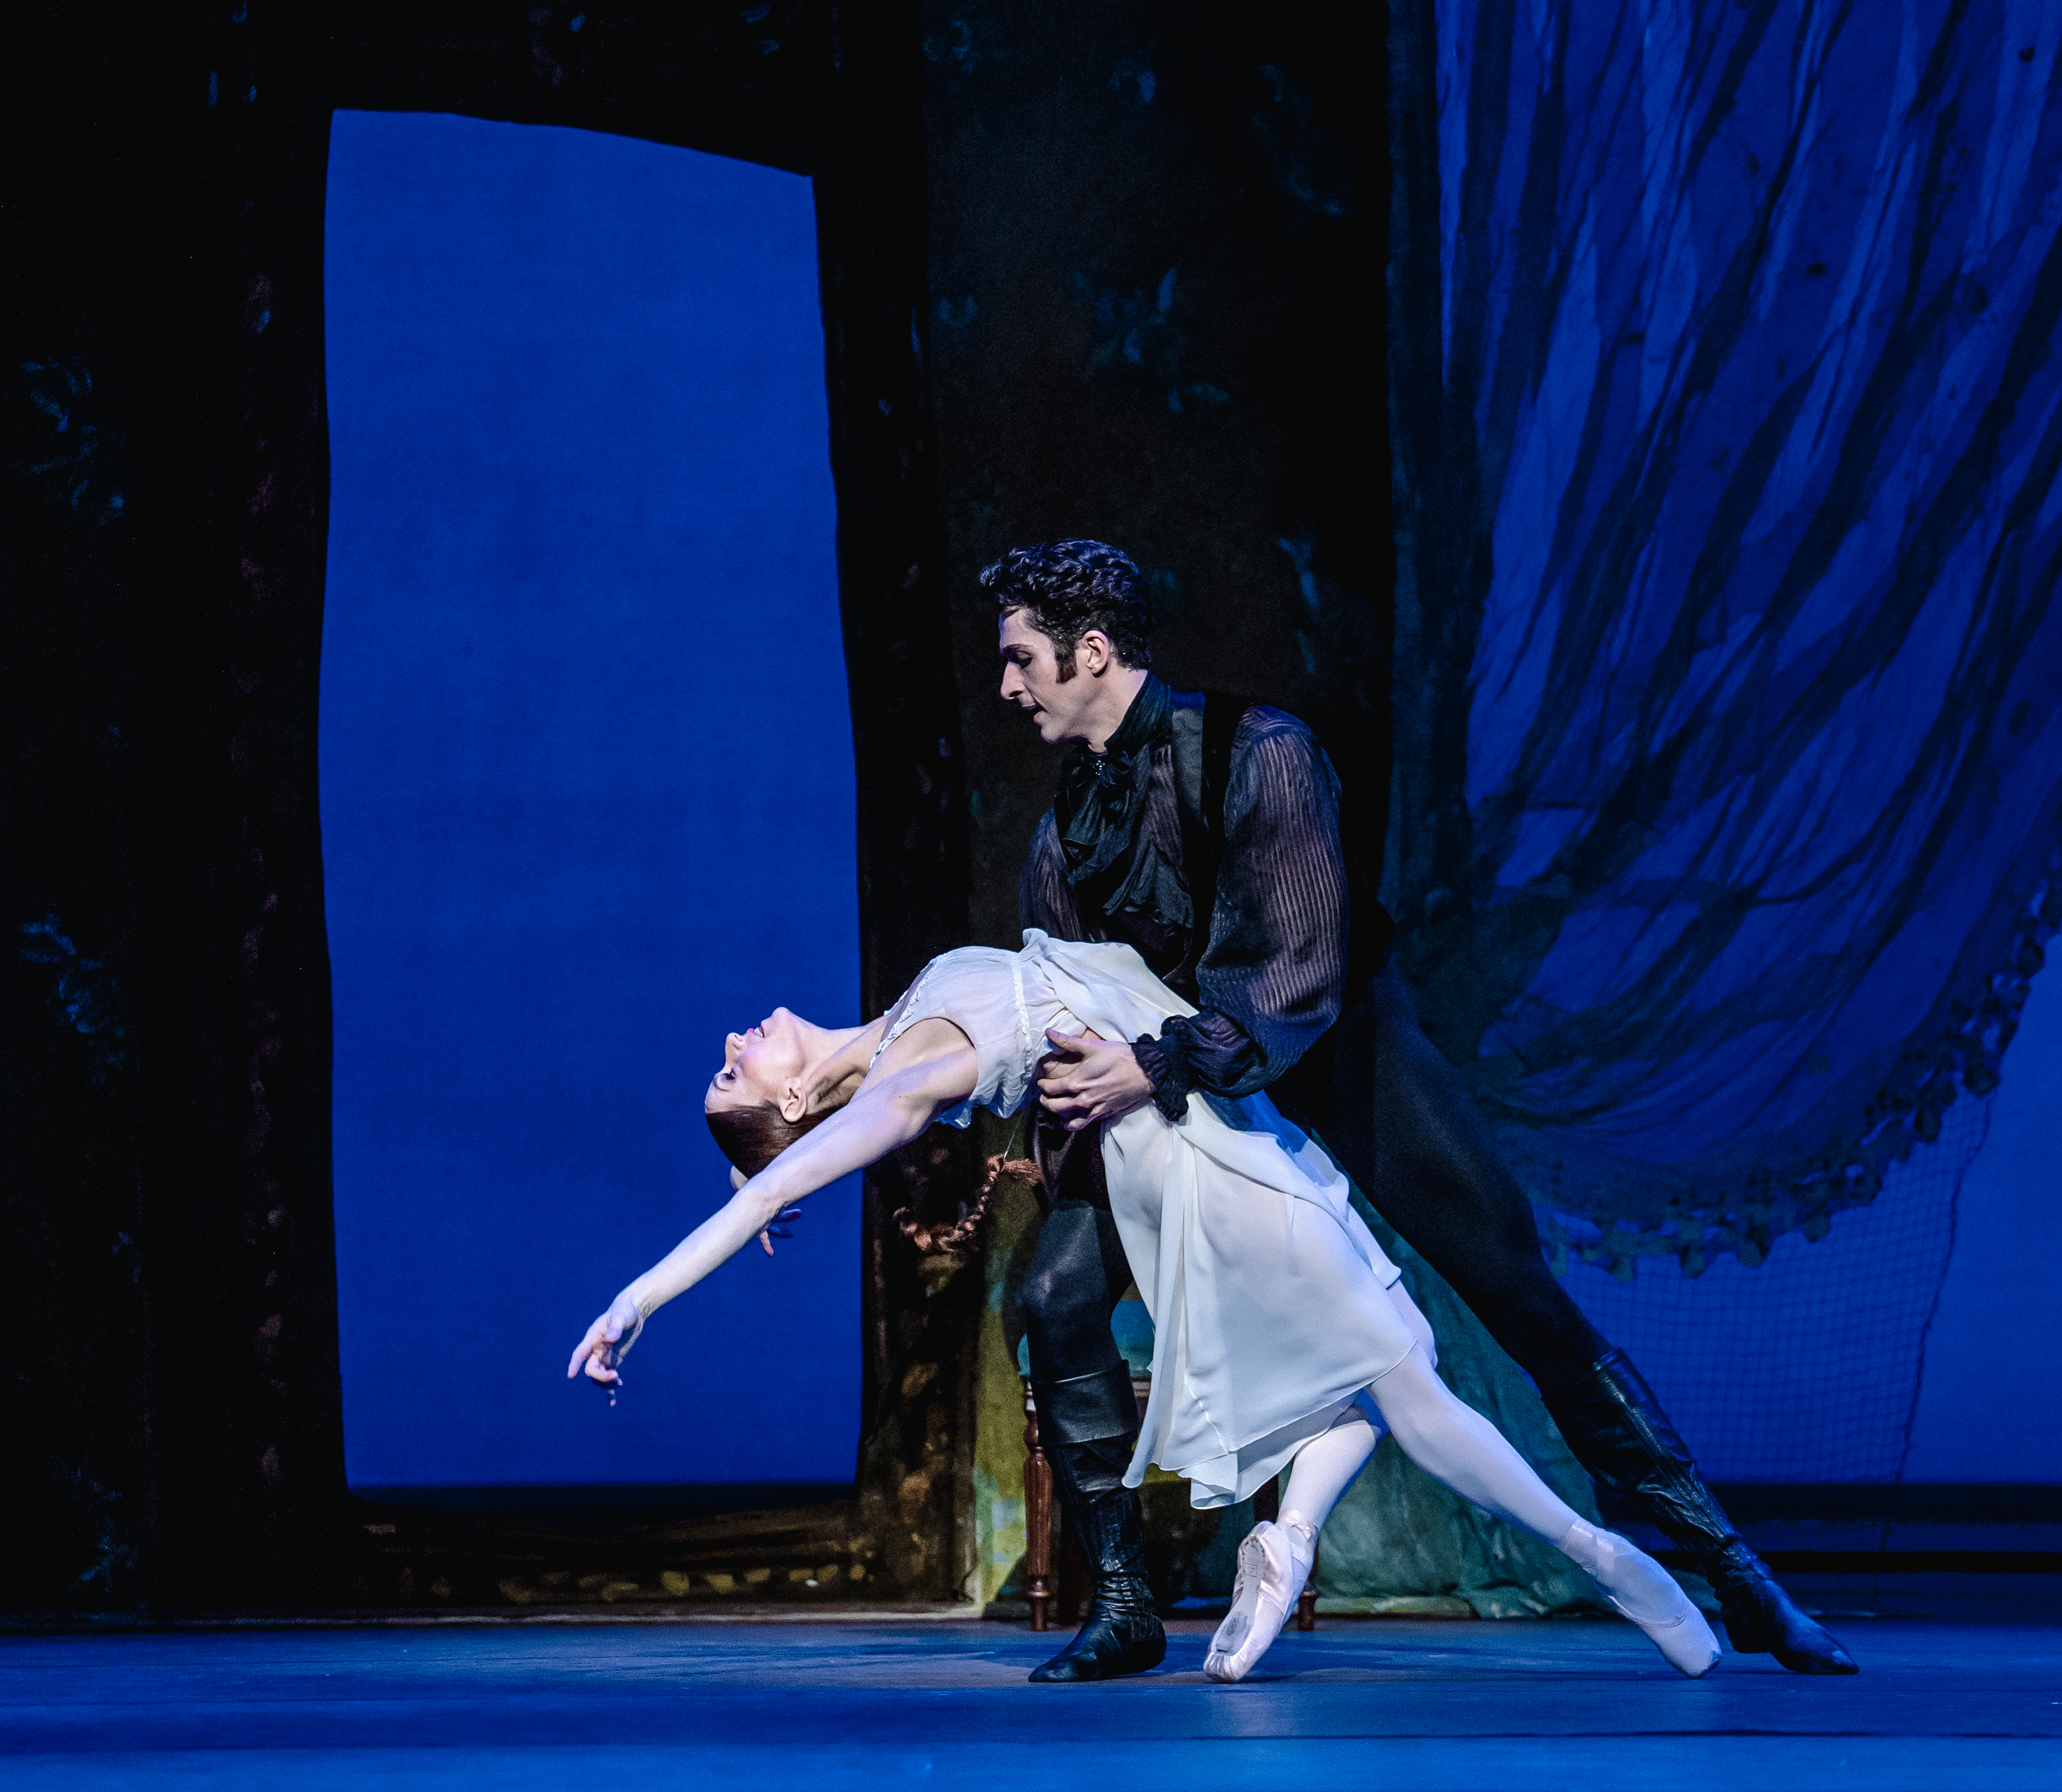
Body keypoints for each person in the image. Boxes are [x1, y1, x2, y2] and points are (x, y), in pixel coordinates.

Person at [986, 539, 1855, 1682]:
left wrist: (1149, 1062)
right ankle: (1126, 1605)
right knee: (1049, 1290)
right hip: (1177, 1088)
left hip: (1338, 1054)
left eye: (1021, 659)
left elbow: (1294, 970)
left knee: (1519, 1296)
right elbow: (1051, 999)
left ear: (1091, 652)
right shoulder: (1070, 828)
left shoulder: (1261, 751)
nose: (1007, 687)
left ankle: (1734, 1572)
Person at [564, 929, 1723, 1684]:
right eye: (734, 1075)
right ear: (792, 1111)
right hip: (1198, 1159)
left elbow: (772, 1167)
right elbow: (789, 1171)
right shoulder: (914, 1069)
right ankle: (1605, 1556)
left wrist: (731, 1180)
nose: (733, 1039)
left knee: (1371, 1369)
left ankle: (1287, 1543)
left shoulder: (896, 1025)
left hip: (1203, 1143)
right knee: (1405, 1383)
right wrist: (643, 1292)